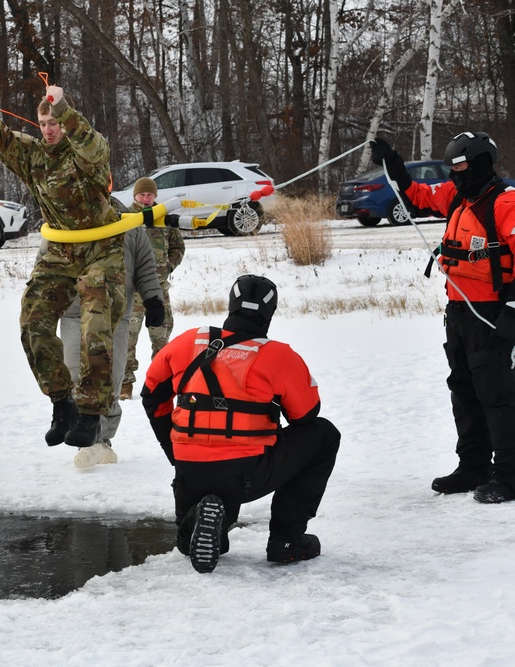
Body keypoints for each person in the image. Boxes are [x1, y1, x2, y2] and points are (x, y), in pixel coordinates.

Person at [0, 80, 138, 449]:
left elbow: (94, 145)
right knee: (33, 318)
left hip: (101, 247)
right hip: (60, 250)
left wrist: (63, 109)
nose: (48, 129)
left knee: (95, 321)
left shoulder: (86, 153)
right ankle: (63, 405)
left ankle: (92, 415)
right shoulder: (33, 155)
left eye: (54, 122)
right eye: (43, 123)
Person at [141, 275, 340, 573]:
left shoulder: (188, 341)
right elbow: (306, 416)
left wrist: (174, 450)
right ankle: (287, 540)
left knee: (189, 544)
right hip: (247, 474)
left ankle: (198, 519)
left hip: (189, 472)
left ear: (231, 306)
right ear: (269, 314)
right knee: (324, 435)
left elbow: (151, 396)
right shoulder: (278, 355)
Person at [371, 132, 515, 503]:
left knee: (497, 396)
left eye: (462, 166)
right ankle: (473, 467)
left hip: (494, 315)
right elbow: (416, 195)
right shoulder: (458, 197)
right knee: (464, 391)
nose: (456, 174)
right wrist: (394, 164)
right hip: (459, 312)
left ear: (481, 163)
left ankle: (510, 475)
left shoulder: (505, 203)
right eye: (452, 167)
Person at [45, 226, 163, 468]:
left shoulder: (129, 225)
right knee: (77, 374)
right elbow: (45, 262)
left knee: (110, 376)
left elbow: (145, 268)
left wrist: (153, 300)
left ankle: (103, 440)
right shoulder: (64, 217)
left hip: (115, 312)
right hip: (74, 313)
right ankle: (88, 442)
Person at [122, 177, 186, 399]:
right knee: (127, 339)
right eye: (142, 195)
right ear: (135, 196)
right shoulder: (127, 218)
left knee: (161, 337)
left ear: (155, 196)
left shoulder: (162, 217)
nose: (146, 199)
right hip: (133, 293)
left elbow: (178, 246)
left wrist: (169, 265)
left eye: (149, 195)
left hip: (159, 290)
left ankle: (160, 382)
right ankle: (125, 383)